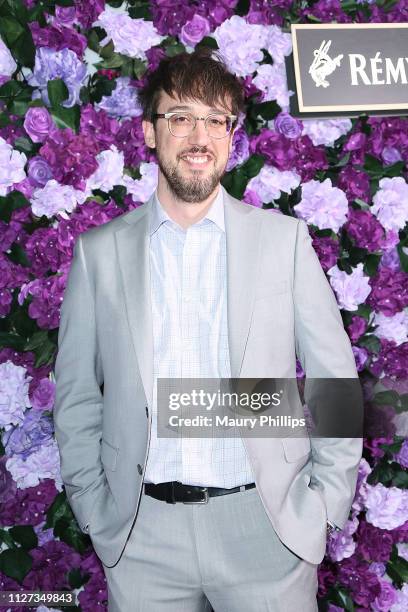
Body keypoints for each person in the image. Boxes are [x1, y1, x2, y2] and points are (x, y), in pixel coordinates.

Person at [53, 47, 363, 611]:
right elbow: (76, 397)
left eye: (216, 120)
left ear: (231, 135)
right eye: (180, 118)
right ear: (150, 133)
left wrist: (324, 505)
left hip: (267, 532)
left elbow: (334, 381)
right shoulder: (98, 255)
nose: (200, 136)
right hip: (142, 540)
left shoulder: (283, 243)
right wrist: (96, 510)